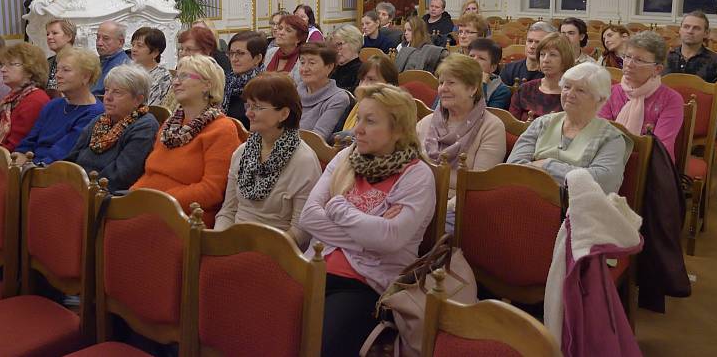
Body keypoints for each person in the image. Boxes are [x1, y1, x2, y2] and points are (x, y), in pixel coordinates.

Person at [298, 83, 435, 357]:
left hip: (367, 285)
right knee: (262, 325)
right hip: (313, 268)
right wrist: (369, 234)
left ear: (399, 130)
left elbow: (390, 240)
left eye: (370, 121)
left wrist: (337, 207)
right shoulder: (347, 157)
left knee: (319, 347)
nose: (357, 128)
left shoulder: (417, 175)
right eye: (358, 118)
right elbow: (309, 218)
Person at [132, 55, 241, 227]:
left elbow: (212, 191)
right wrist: (133, 198)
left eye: (184, 77)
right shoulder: (170, 125)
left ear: (207, 85)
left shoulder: (222, 129)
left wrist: (159, 202)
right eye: (176, 76)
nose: (175, 82)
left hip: (186, 218)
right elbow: (150, 174)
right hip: (150, 206)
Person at [215, 73, 322, 247]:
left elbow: (300, 230)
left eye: (257, 107)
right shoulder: (242, 152)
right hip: (235, 242)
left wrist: (261, 253)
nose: (249, 113)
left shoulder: (304, 161)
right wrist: (219, 242)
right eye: (248, 106)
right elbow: (228, 211)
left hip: (277, 250)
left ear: (284, 113)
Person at [508, 63, 633, 194]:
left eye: (581, 90)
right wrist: (572, 175)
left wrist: (545, 165)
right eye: (567, 87)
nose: (570, 94)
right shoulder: (542, 123)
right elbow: (514, 167)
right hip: (528, 198)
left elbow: (601, 182)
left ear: (600, 99)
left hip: (578, 210)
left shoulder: (611, 138)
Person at [417, 55, 506, 231]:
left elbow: (480, 185)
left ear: (472, 88)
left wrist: (439, 210)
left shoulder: (491, 127)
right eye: (441, 83)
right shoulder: (426, 123)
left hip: (459, 207)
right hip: (418, 198)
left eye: (451, 83)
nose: (443, 89)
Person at [66, 64, 159, 192]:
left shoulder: (145, 126)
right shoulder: (100, 121)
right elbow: (72, 158)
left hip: (105, 195)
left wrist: (81, 188)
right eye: (107, 90)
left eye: (117, 92)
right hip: (77, 186)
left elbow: (121, 177)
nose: (107, 97)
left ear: (138, 100)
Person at [599, 31, 684, 161]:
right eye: (627, 56)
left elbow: (661, 148)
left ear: (657, 69)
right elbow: (599, 136)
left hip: (651, 167)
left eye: (638, 60)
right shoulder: (610, 92)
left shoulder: (671, 99)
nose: (629, 64)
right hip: (609, 161)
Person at [14, 48, 104, 165]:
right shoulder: (53, 105)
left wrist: (31, 167)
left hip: (55, 172)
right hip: (30, 165)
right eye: (57, 70)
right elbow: (30, 140)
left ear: (85, 77)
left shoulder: (94, 113)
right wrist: (19, 156)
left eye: (66, 70)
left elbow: (62, 152)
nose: (58, 75)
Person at [0, 43, 50, 151]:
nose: (2, 69)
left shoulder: (35, 100)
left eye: (10, 64)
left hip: (11, 161)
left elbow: (15, 146)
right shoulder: (9, 99)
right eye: (2, 65)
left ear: (30, 70)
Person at [509, 33, 575, 121]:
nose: (545, 60)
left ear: (565, 59)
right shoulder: (525, 89)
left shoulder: (573, 94)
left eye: (553, 55)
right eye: (542, 54)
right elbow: (511, 127)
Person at [298, 43, 350, 142]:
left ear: (329, 67)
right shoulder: (295, 91)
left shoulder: (338, 99)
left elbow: (317, 138)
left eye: (312, 63)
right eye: (302, 62)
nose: (305, 69)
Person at [341, 54, 400, 132]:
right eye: (362, 80)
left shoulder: (393, 114)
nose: (363, 85)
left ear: (389, 84)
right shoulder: (355, 105)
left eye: (371, 79)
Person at [222, 30, 267, 129]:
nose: (234, 59)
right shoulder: (226, 81)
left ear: (257, 58)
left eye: (240, 53)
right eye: (231, 53)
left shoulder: (265, 87)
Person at [664, 11, 717, 82]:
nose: (690, 31)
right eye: (686, 27)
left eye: (696, 28)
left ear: (706, 33)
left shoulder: (715, 61)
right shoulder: (665, 57)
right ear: (680, 30)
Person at [500, 21, 556, 86]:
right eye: (530, 41)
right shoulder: (509, 69)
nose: (532, 46)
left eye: (538, 42)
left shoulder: (553, 74)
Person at [130, 26, 171, 106]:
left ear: (155, 53)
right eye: (133, 45)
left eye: (139, 46)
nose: (134, 49)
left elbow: (151, 107)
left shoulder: (163, 77)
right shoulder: (127, 69)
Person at [263, 14, 308, 83]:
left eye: (288, 30)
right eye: (280, 28)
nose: (281, 33)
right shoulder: (270, 52)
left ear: (298, 38)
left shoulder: (303, 59)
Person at [469, 38, 512, 110]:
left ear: (493, 67)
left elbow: (484, 115)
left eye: (481, 58)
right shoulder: (458, 79)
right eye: (471, 56)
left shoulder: (501, 91)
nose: (474, 60)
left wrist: (482, 85)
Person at [92, 21, 131, 97]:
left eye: (105, 38)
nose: (99, 43)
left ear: (120, 42)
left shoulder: (124, 68)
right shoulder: (96, 61)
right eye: (98, 37)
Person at [330, 24, 363, 93]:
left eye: (339, 44)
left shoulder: (361, 72)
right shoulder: (335, 69)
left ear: (354, 43)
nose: (335, 50)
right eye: (333, 46)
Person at [45, 19, 77, 89]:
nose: (49, 37)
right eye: (47, 34)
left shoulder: (80, 61)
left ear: (69, 36)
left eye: (54, 33)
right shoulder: (48, 62)